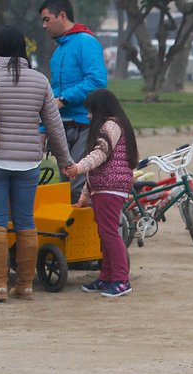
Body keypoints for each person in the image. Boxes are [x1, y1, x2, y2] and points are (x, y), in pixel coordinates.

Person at [0, 25, 73, 302]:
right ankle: (25, 285)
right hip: (28, 163)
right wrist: (66, 161)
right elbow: (54, 127)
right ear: (22, 49)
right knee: (25, 222)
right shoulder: (39, 81)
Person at [62, 89, 137, 298]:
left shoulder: (110, 126)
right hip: (104, 187)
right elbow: (96, 171)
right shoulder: (116, 125)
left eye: (90, 112)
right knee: (105, 233)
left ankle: (121, 279)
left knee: (110, 233)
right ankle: (107, 276)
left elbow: (99, 155)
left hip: (110, 187)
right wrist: (84, 197)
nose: (88, 116)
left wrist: (77, 168)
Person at [39, 0, 107, 204]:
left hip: (84, 124)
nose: (44, 25)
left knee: (78, 184)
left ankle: (99, 233)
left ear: (61, 16)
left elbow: (96, 81)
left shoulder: (86, 42)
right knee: (66, 183)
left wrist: (65, 98)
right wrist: (43, 129)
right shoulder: (59, 50)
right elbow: (53, 93)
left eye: (46, 19)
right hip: (61, 126)